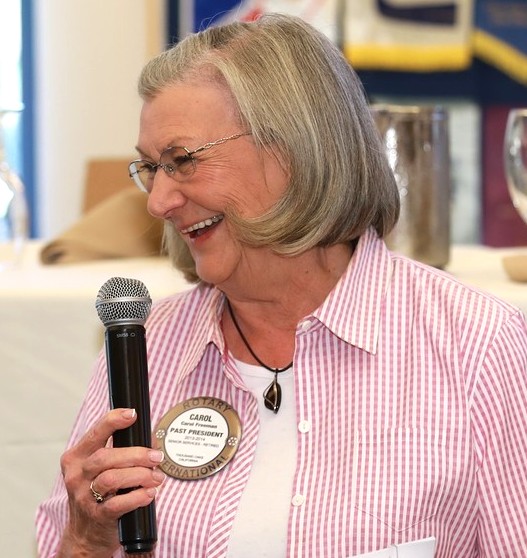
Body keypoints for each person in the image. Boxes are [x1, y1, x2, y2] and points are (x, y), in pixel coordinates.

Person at [36, 13, 527, 558]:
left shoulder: (476, 343)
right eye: (151, 168)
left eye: (183, 161)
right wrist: (86, 540)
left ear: (294, 149)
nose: (158, 202)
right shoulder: (146, 346)